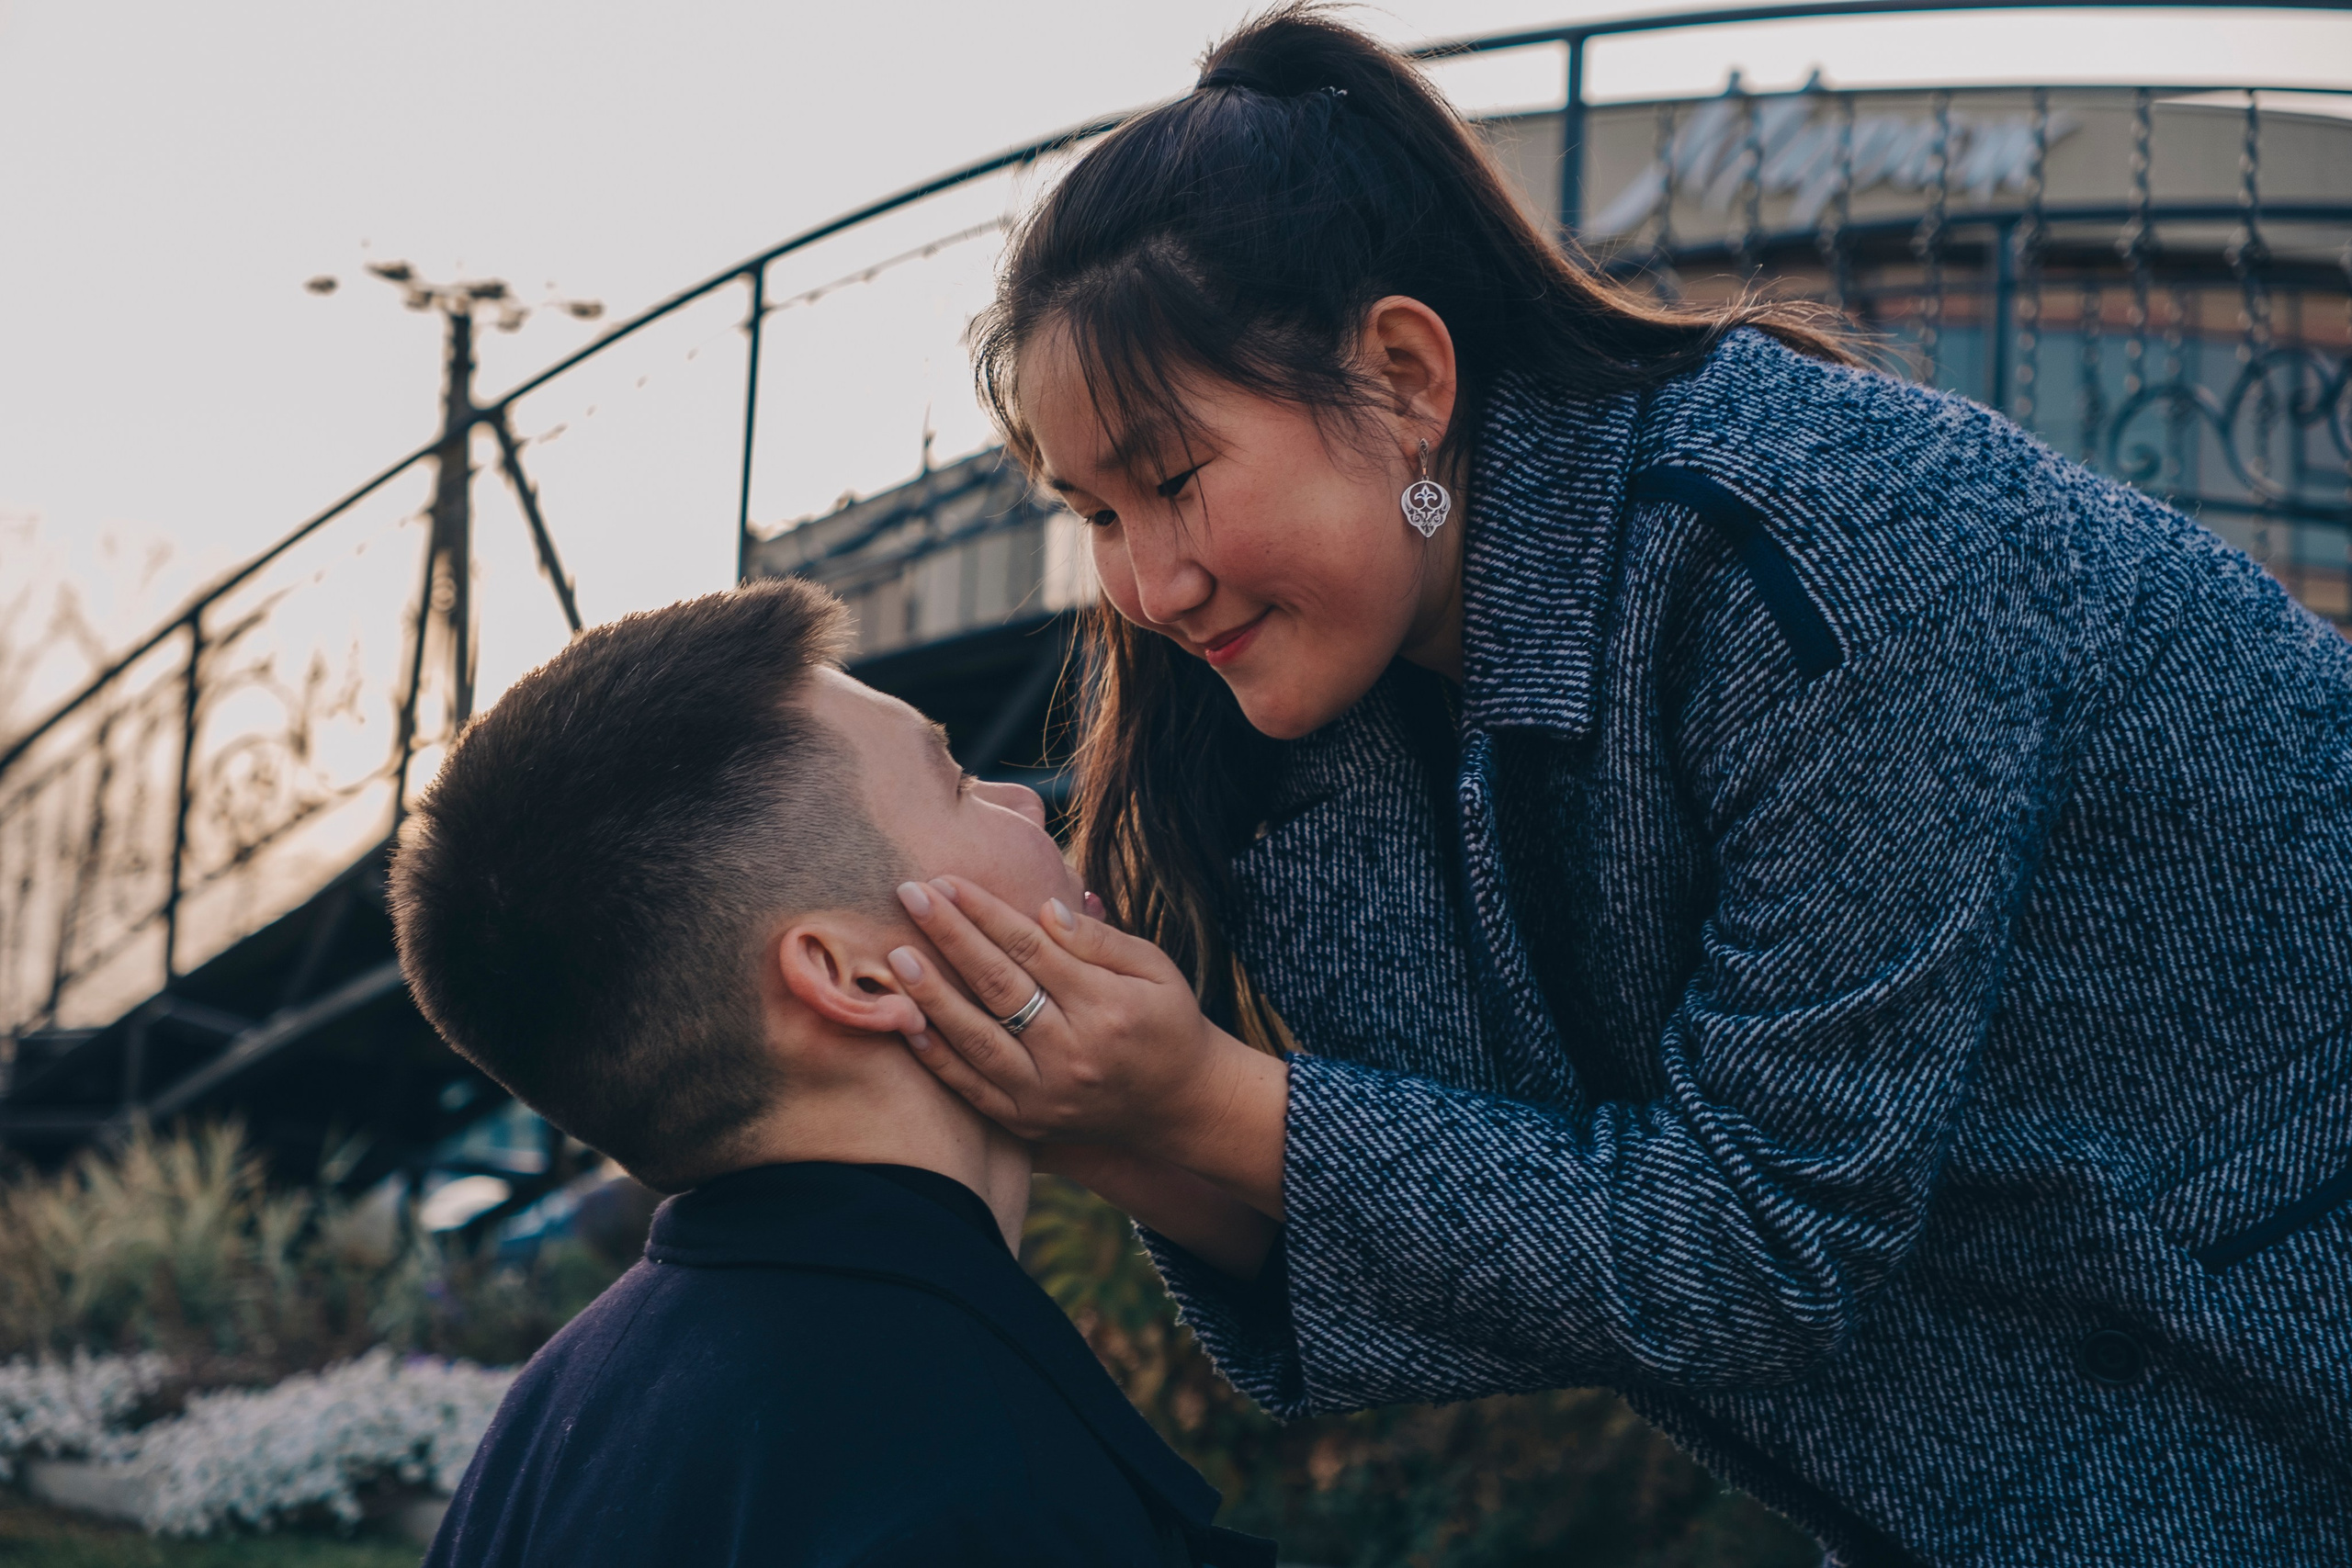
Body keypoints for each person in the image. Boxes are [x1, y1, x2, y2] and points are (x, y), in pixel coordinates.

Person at [876, 6, 2352, 1565]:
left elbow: (1755, 1244)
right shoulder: (1332, 712)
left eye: (1173, 480)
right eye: (1094, 511)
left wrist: (1206, 1098)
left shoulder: (1820, 559)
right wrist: (1111, 1115)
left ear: (1401, 374)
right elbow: (1524, 1251)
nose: (1147, 583)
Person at [387, 581, 1275, 1568]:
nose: (1025, 798)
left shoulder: (548, 1420)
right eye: (955, 782)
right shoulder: (968, 1478)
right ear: (847, 974)